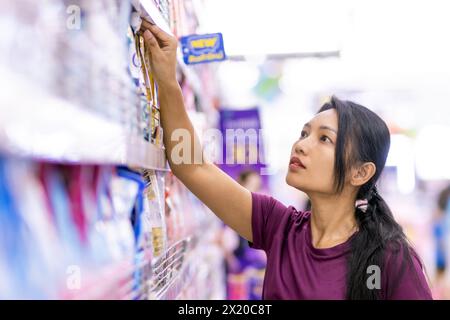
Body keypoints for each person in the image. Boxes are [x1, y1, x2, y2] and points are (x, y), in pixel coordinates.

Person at [138, 21, 432, 300]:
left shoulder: (387, 259)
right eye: (304, 133)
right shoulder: (278, 226)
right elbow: (191, 165)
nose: (301, 145)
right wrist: (167, 79)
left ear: (360, 172)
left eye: (324, 139)